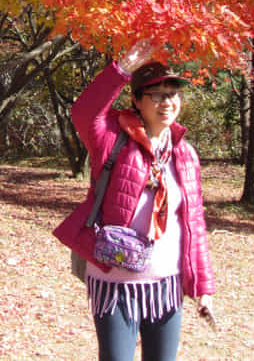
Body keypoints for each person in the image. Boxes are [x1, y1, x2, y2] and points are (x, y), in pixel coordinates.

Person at [54, 40, 215, 361]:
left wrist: (203, 286)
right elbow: (84, 111)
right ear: (137, 101)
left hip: (168, 285)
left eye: (172, 94)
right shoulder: (111, 138)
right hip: (115, 283)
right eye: (156, 95)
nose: (166, 102)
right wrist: (122, 69)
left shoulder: (184, 153)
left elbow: (193, 223)